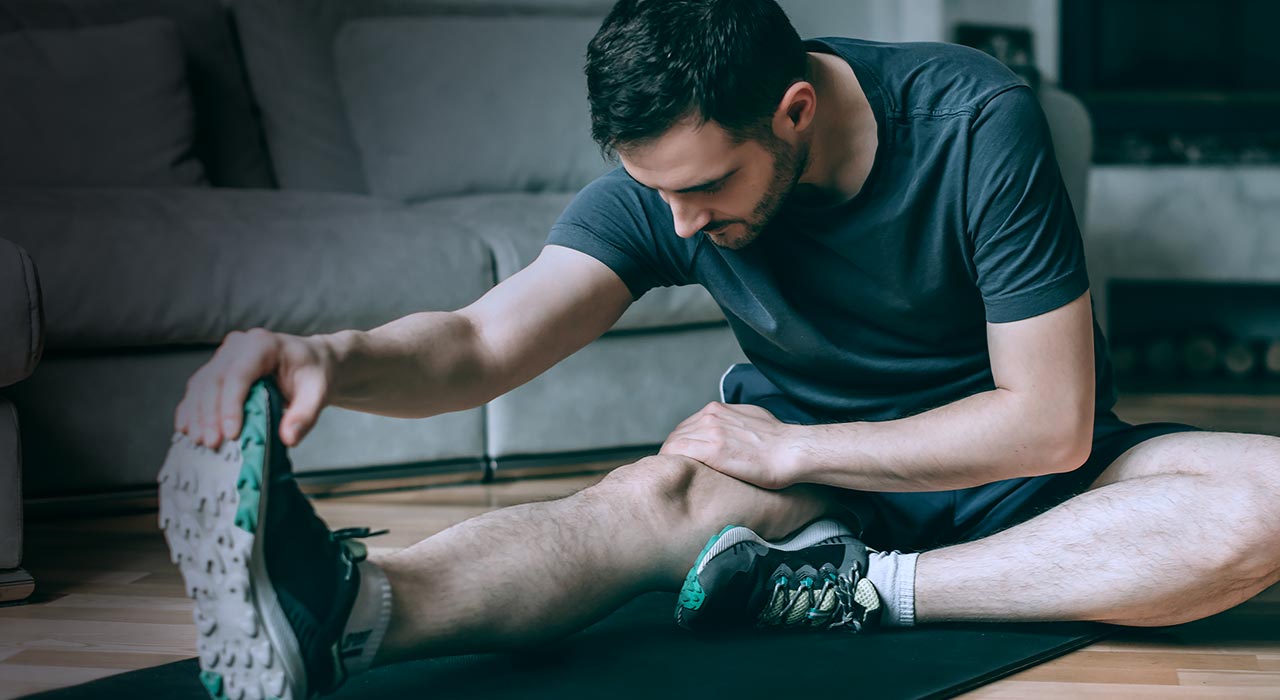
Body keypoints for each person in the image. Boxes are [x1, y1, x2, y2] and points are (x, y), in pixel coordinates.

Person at [160, 1, 1280, 698]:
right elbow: (477, 340)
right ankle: (346, 613)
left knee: (1265, 502)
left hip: (1021, 475)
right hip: (805, 476)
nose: (680, 223)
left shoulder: (978, 121)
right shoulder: (670, 183)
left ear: (794, 111)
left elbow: (1047, 420)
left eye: (703, 187)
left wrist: (795, 450)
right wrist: (328, 357)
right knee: (636, 501)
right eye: (657, 191)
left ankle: (860, 592)